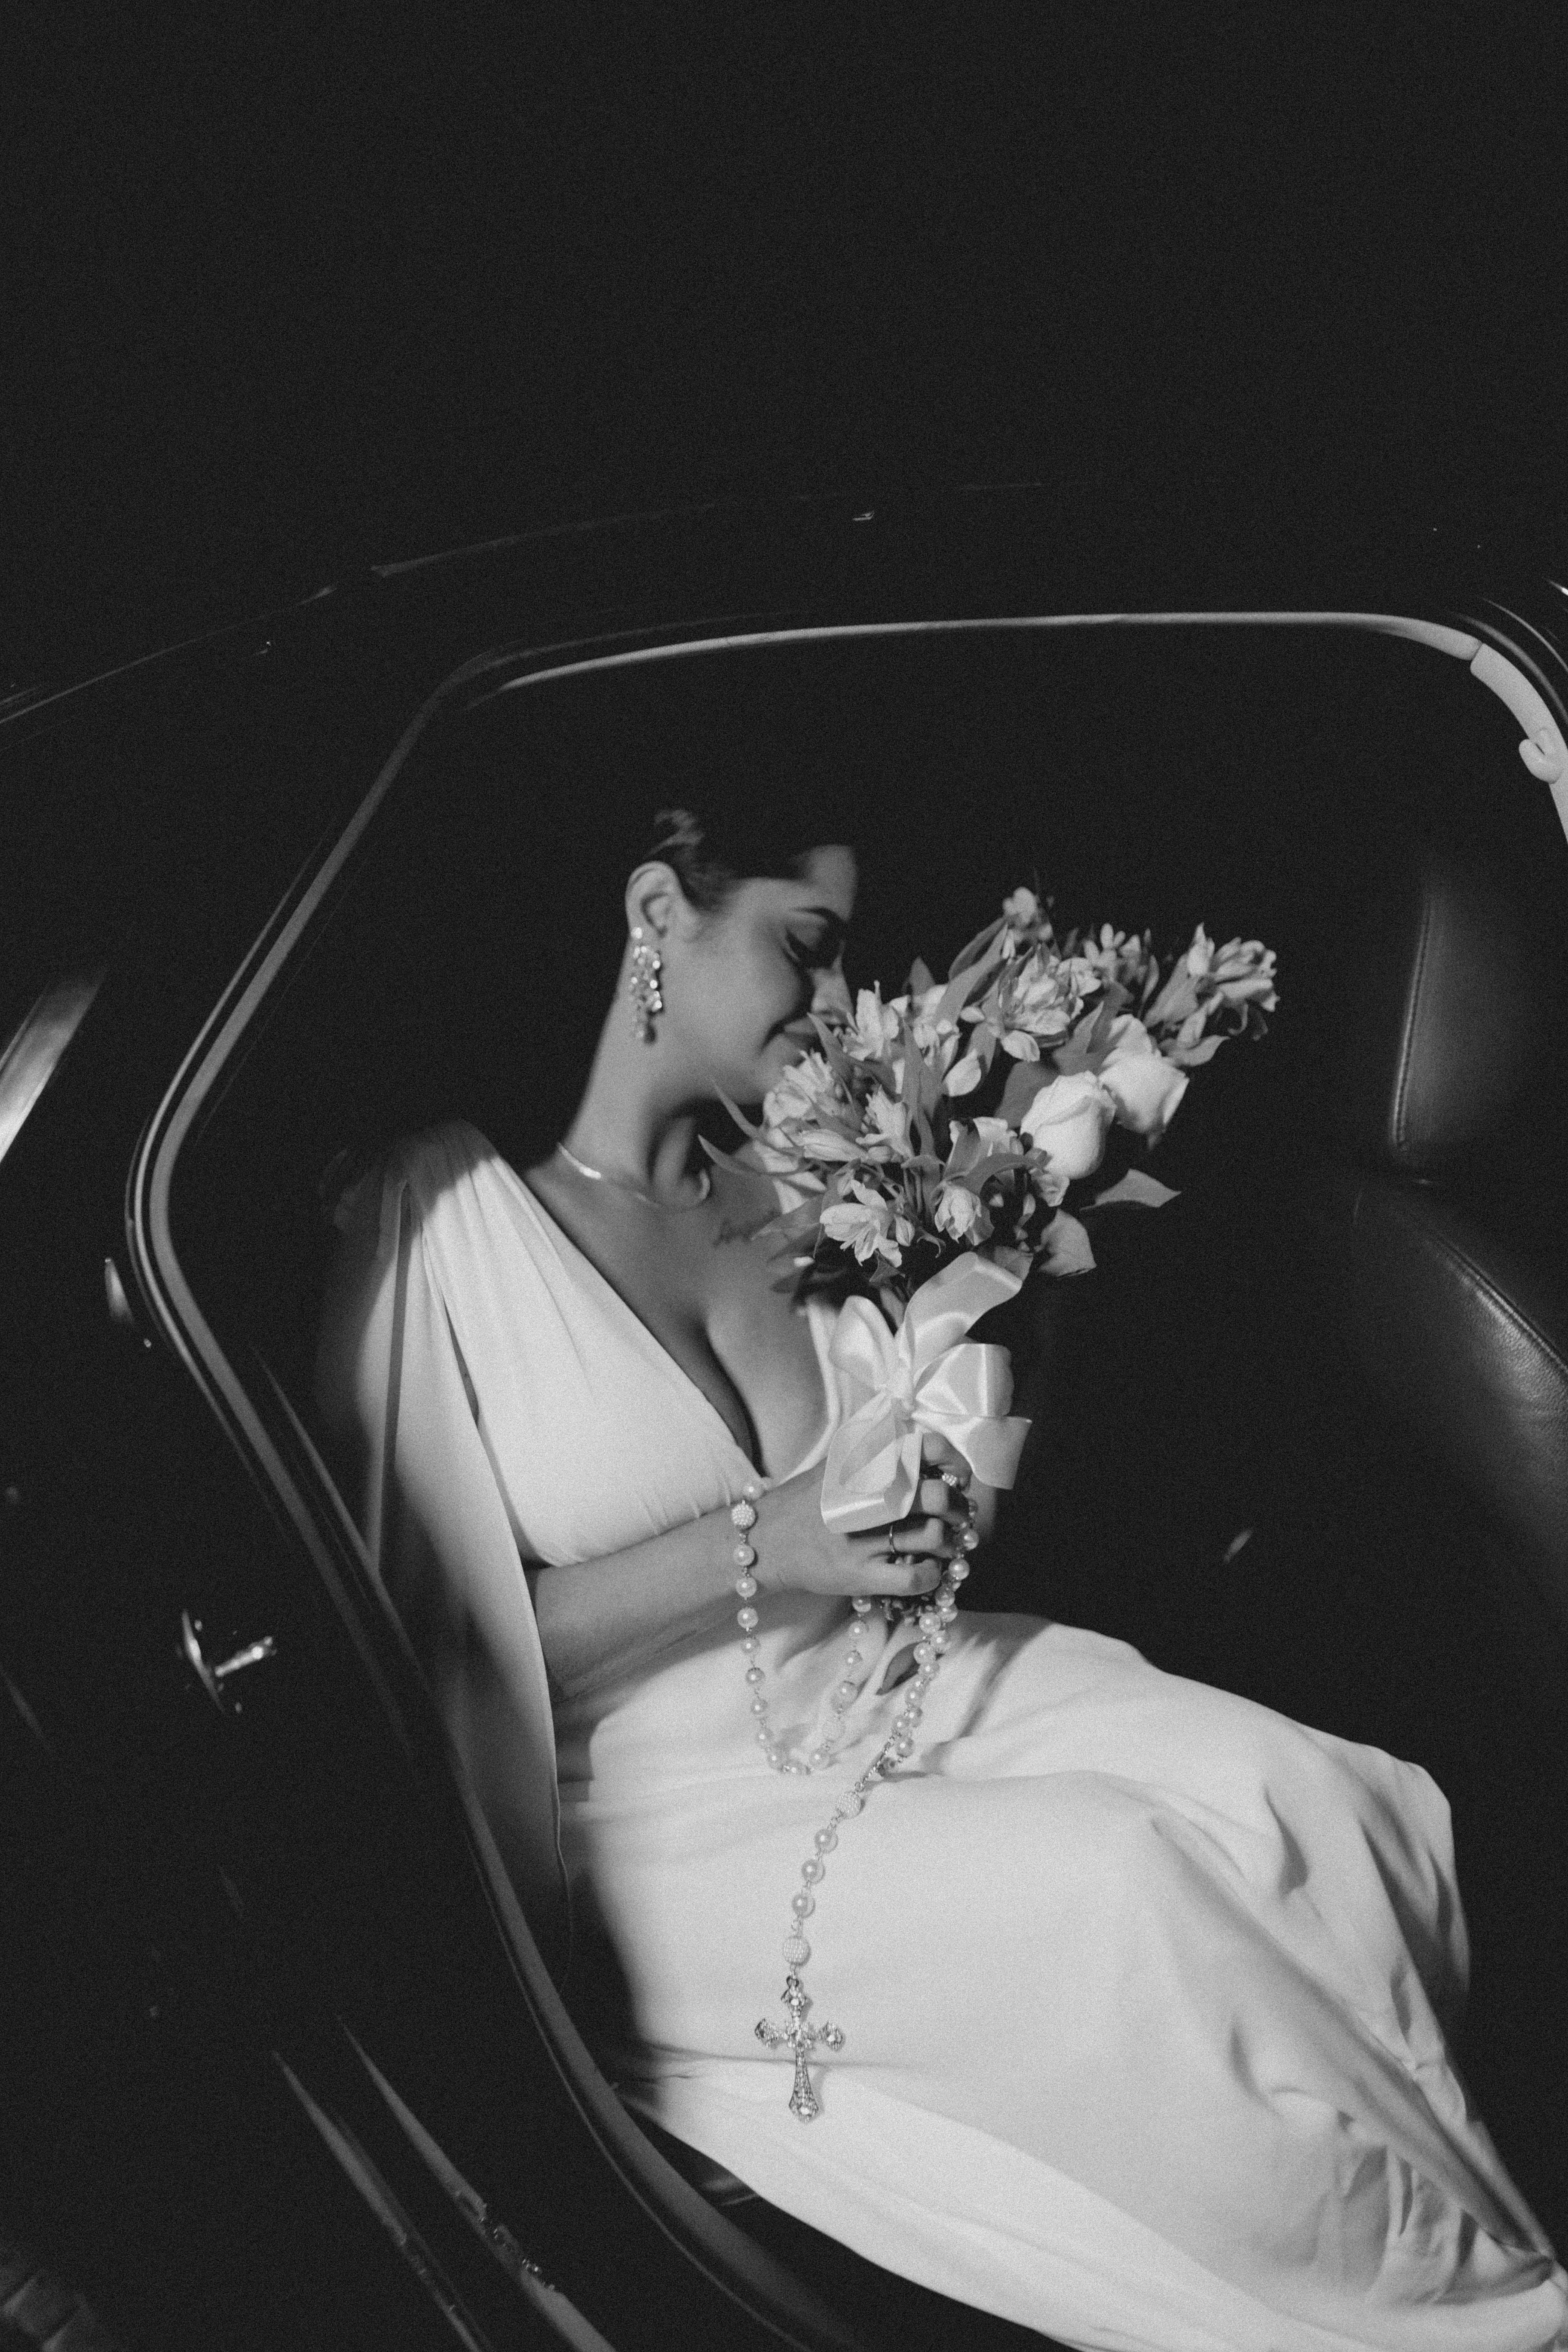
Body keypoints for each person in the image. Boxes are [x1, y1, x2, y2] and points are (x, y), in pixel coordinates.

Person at [315, 802, 1567, 2352]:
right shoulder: (435, 1222)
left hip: (897, 1677)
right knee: (1122, 1895)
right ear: (657, 912)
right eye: (803, 946)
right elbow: (403, 1664)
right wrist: (763, 1546)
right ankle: (1478, 2324)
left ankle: (1473, 2257)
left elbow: (942, 1491)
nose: (832, 1009)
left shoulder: (811, 1179)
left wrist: (1005, 1289)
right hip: (641, 1804)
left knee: (1314, 1798)